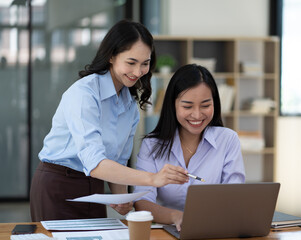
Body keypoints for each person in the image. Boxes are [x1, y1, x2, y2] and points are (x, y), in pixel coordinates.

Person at [30, 19, 189, 222]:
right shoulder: (84, 94)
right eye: (131, 63)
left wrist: (120, 196)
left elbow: (117, 160)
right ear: (112, 56)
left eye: (145, 63)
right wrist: (153, 178)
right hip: (59, 185)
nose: (138, 72)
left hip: (95, 190)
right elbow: (95, 163)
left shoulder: (129, 105)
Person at [133, 64, 246, 231]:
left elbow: (235, 197)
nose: (197, 115)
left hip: (215, 230)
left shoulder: (228, 140)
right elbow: (143, 203)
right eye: (187, 106)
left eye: (206, 105)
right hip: (166, 231)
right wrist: (176, 217)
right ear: (173, 105)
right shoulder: (152, 145)